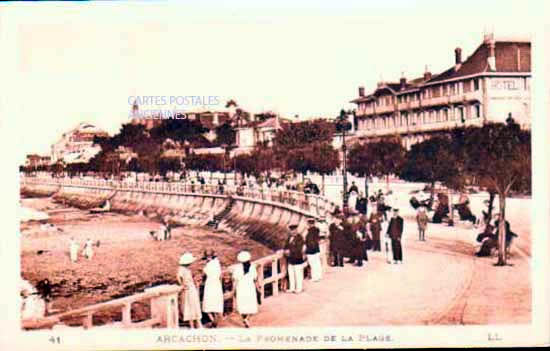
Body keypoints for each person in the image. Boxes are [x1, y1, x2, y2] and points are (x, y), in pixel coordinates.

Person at [232, 251, 258, 328]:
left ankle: (244, 318)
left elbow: (235, 280)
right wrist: (258, 288)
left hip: (241, 287)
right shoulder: (252, 267)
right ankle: (247, 318)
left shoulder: (237, 268)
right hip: (250, 287)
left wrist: (233, 290)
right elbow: (255, 278)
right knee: (251, 304)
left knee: (242, 304)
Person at [177, 252, 202, 328]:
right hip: (188, 289)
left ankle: (197, 324)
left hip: (191, 288)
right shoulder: (181, 269)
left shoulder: (186, 269)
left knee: (194, 305)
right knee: (189, 305)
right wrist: (182, 285)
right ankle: (193, 325)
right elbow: (178, 277)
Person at [201, 250, 223, 327]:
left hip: (210, 283)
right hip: (217, 283)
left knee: (208, 302)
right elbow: (220, 276)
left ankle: (213, 320)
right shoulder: (217, 263)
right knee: (216, 301)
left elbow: (203, 273)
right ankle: (215, 320)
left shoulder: (208, 266)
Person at [284, 224, 305, 293]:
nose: (293, 232)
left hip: (297, 258)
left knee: (298, 274)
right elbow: (286, 246)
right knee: (291, 274)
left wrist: (290, 251)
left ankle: (299, 288)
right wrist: (285, 250)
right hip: (290, 259)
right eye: (292, 230)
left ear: (296, 230)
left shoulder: (300, 238)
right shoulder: (289, 238)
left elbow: (299, 248)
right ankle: (292, 288)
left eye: (294, 230)